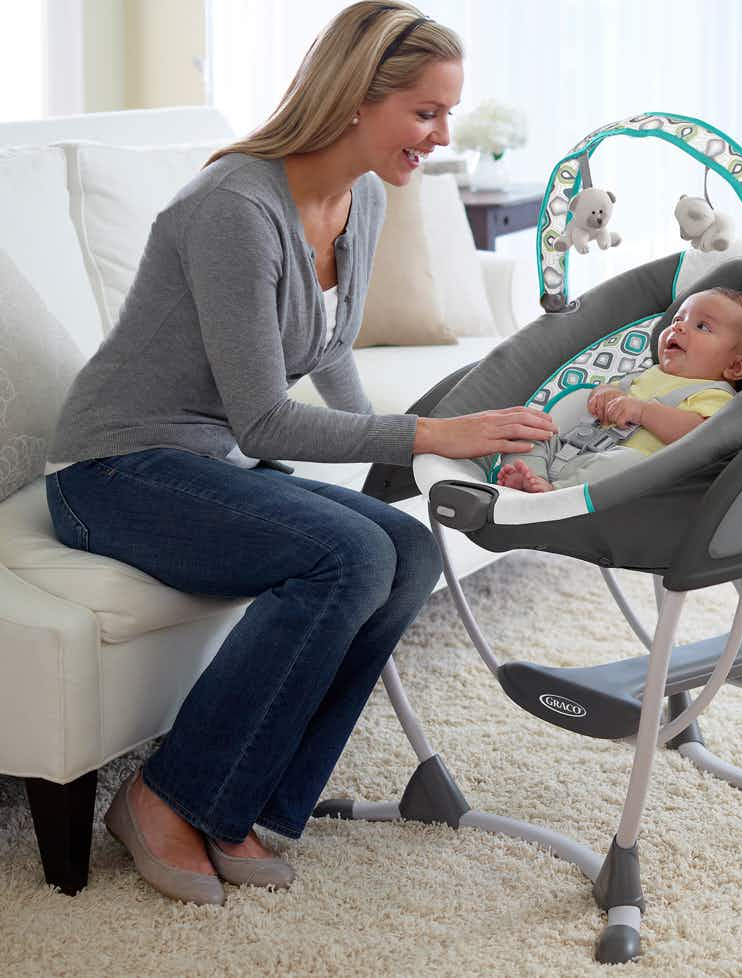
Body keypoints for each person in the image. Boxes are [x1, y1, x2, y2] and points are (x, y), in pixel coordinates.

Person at [43, 1, 555, 906]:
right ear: (359, 97)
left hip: (205, 466)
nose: (440, 136)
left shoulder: (356, 200)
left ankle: (249, 806)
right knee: (348, 553)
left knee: (403, 549)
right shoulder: (234, 207)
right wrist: (429, 435)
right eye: (426, 113)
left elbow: (327, 351)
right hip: (112, 472)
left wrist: (386, 482)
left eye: (448, 113)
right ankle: (165, 798)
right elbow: (266, 425)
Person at [497, 287, 742, 493]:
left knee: (626, 463)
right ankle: (531, 478)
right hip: (573, 449)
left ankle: (553, 495)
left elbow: (700, 436)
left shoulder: (715, 393)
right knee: (528, 427)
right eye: (678, 318)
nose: (679, 326)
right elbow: (603, 392)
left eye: (703, 326)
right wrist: (604, 395)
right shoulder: (648, 373)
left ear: (736, 367)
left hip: (622, 473)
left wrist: (643, 412)